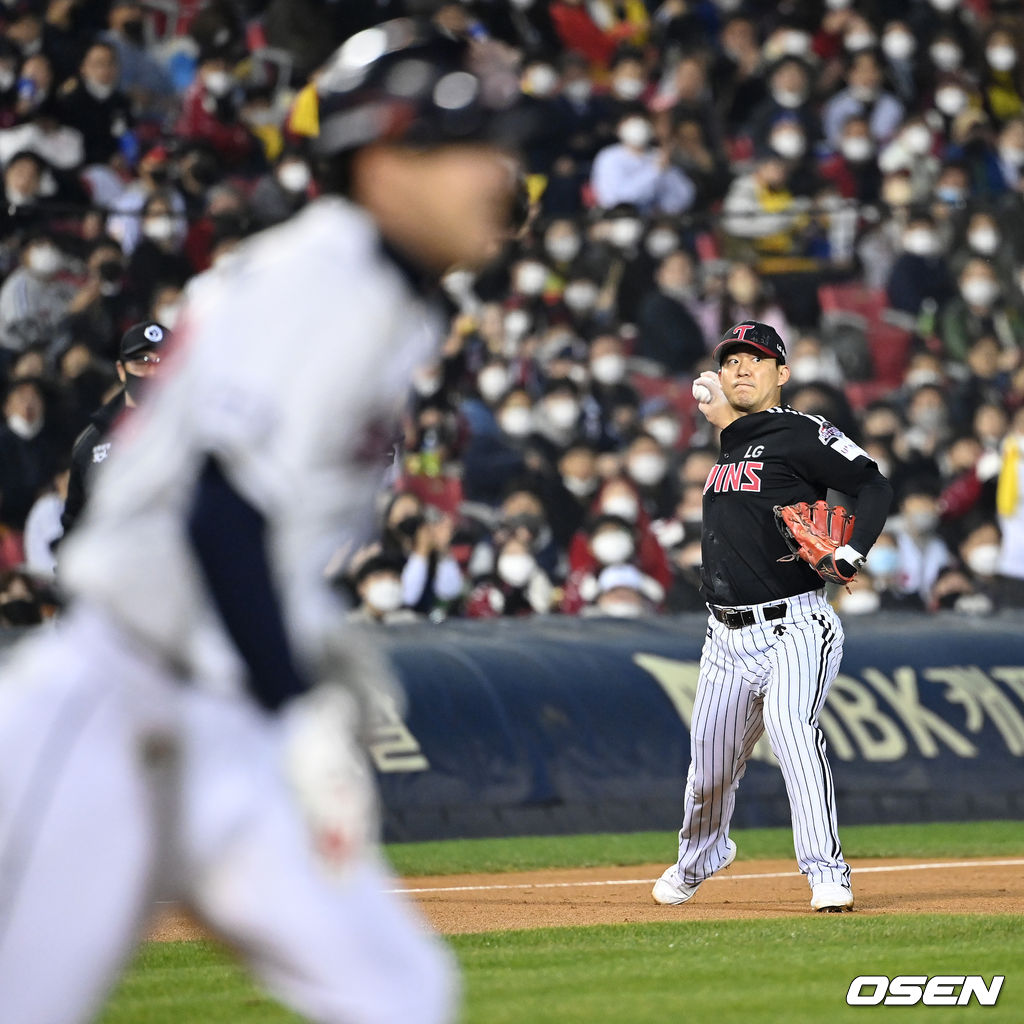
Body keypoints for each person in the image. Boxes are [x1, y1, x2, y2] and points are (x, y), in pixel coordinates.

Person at [0, 17, 537, 1023]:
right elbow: (218, 512)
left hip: (221, 712)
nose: (494, 170)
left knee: (400, 990)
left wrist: (306, 641)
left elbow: (258, 517)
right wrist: (296, 704)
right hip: (113, 701)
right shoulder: (319, 278)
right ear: (381, 160)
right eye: (464, 143)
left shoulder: (391, 294)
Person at [652, 320, 892, 914]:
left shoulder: (801, 432)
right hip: (724, 636)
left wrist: (853, 548)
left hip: (796, 625)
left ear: (781, 372)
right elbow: (718, 403)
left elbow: (871, 483)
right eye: (732, 358)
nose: (740, 367)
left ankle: (825, 871)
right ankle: (700, 855)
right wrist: (715, 405)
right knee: (708, 770)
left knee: (791, 730)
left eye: (755, 359)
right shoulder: (733, 439)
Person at [60, 320, 170, 538]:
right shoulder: (93, 441)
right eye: (141, 362)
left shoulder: (201, 431)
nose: (152, 372)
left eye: (162, 361)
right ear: (121, 370)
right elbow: (75, 522)